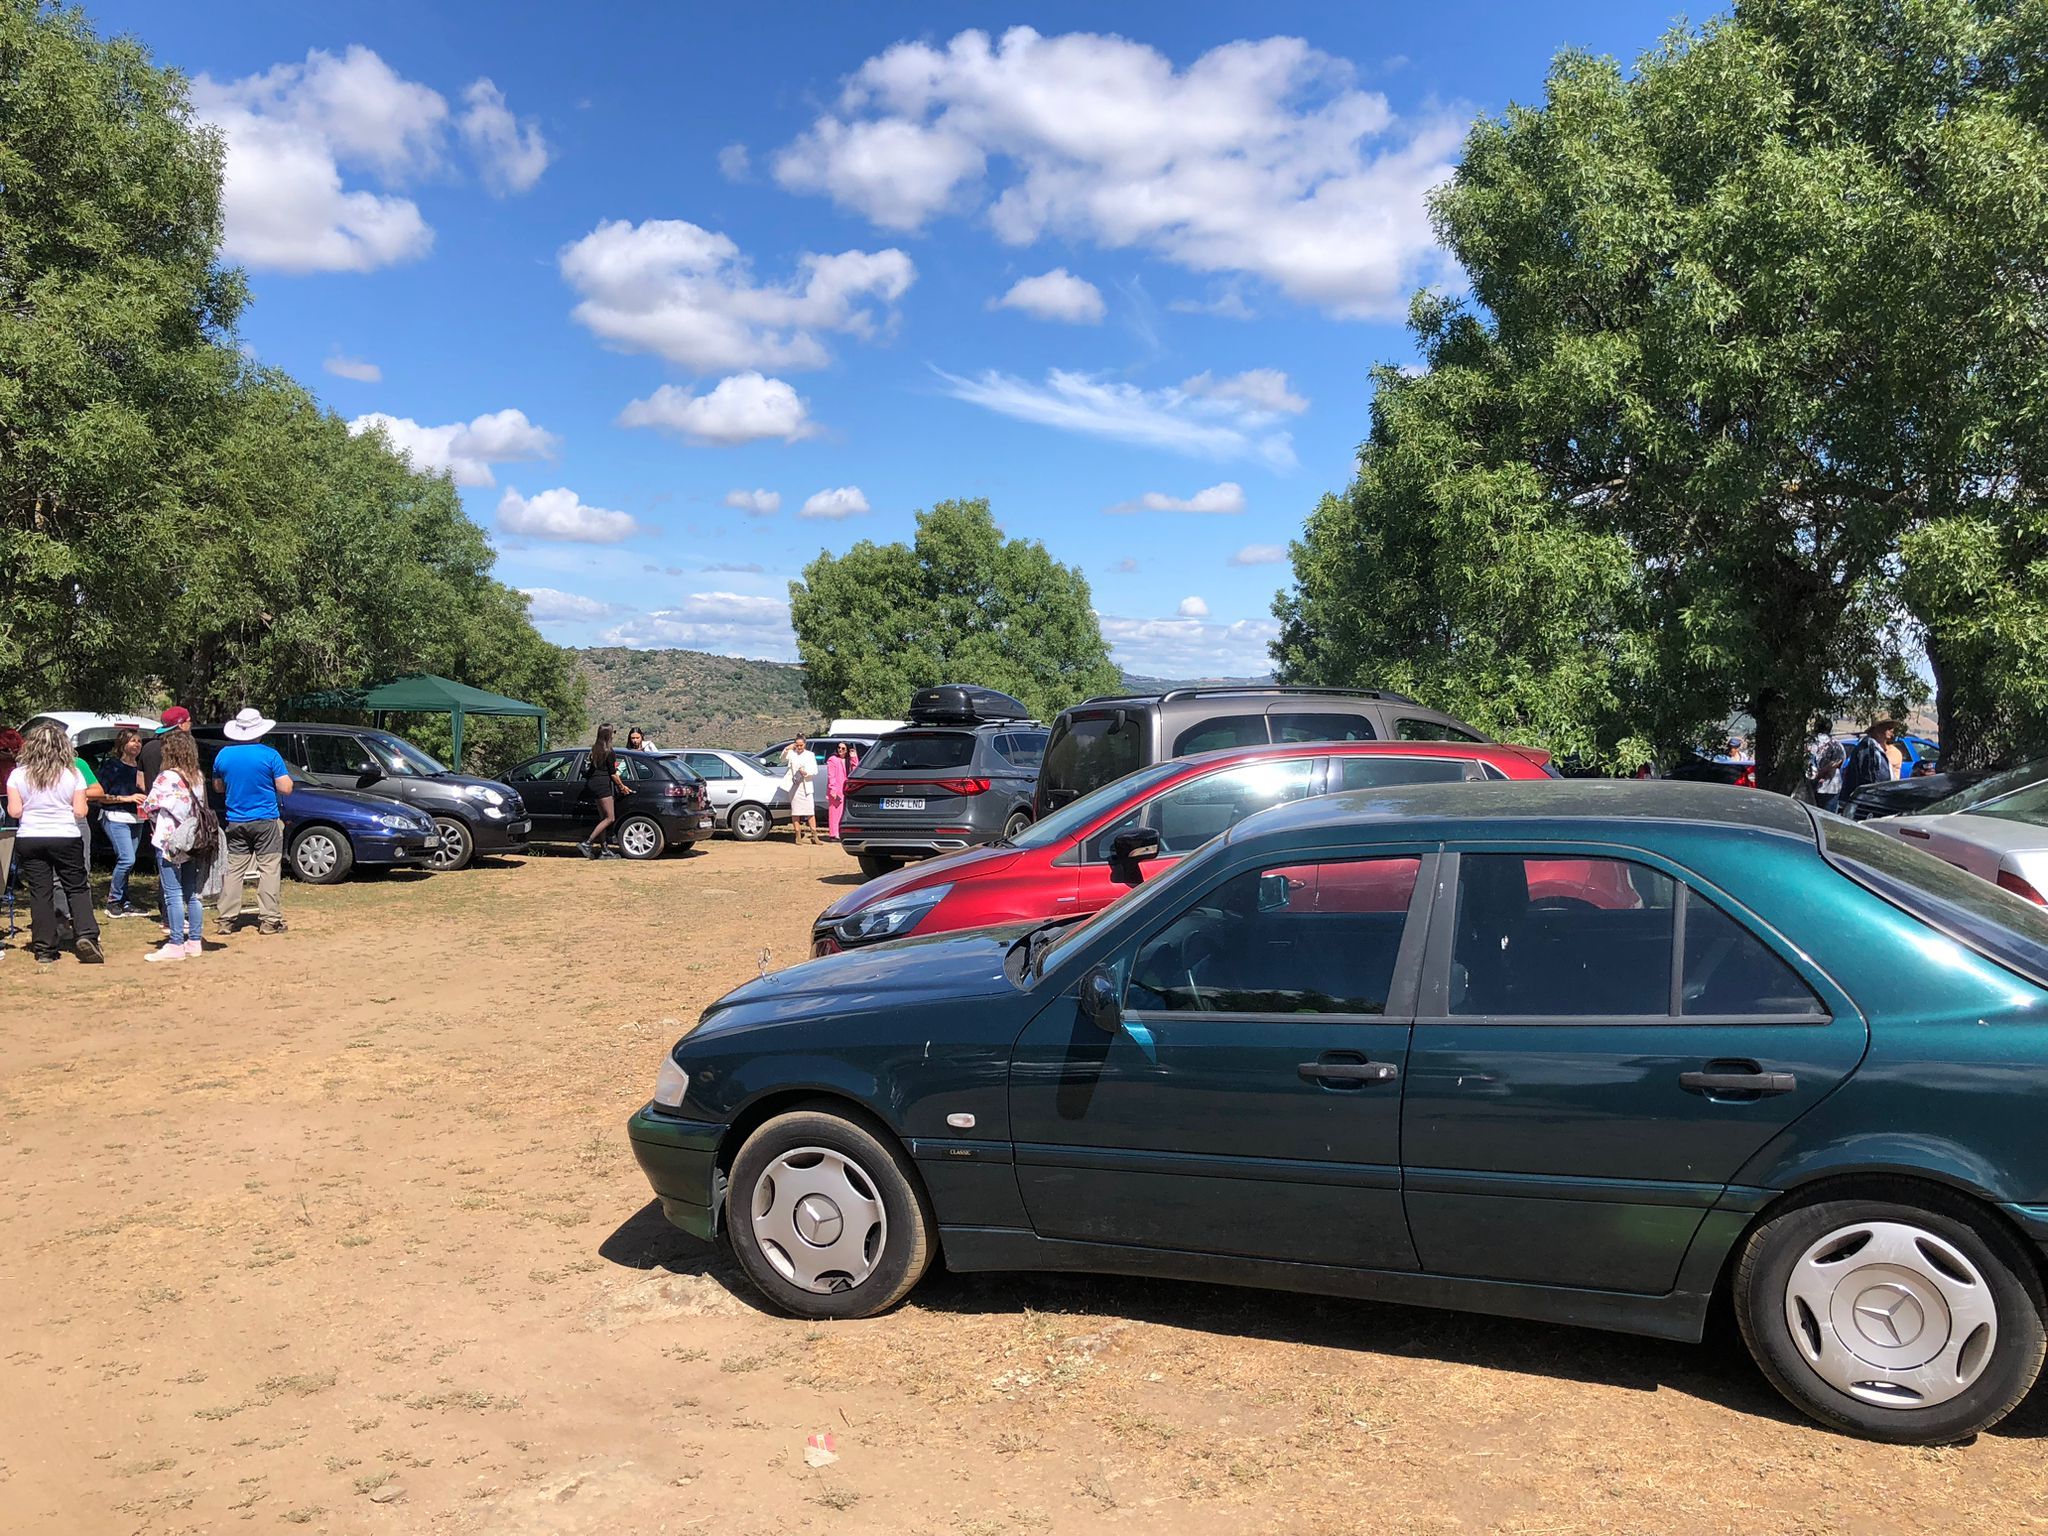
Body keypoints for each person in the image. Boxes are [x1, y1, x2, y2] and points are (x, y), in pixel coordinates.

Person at [5, 723, 102, 964]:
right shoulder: (72, 773)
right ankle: (87, 935)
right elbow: (80, 811)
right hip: (65, 835)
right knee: (76, 887)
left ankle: (44, 948)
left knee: (40, 892)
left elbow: (15, 811)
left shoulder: (18, 774)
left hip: (30, 836)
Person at [212, 707, 293, 935]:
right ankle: (270, 919)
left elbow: (218, 786)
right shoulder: (269, 755)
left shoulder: (223, 755)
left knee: (234, 869)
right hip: (265, 819)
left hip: (236, 820)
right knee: (269, 869)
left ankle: (226, 918)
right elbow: (285, 788)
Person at [140, 729, 212, 962]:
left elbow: (150, 805)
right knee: (192, 892)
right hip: (192, 838)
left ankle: (176, 944)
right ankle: (194, 940)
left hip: (170, 839)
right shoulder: (197, 777)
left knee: (172, 893)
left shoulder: (166, 777)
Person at [98, 726, 151, 918]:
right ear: (122, 744)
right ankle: (113, 901)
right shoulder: (112, 766)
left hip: (138, 819)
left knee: (128, 862)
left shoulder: (141, 768)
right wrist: (127, 798)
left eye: (139, 741)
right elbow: (100, 796)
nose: (136, 744)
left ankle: (125, 902)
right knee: (127, 858)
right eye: (132, 741)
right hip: (115, 816)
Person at [579, 724, 630, 859]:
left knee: (603, 818)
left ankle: (604, 849)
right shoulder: (609, 752)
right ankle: (587, 843)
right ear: (608, 735)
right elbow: (613, 774)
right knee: (610, 818)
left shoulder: (595, 749)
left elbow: (591, 770)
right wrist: (622, 787)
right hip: (603, 785)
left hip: (593, 784)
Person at [1838, 717, 1900, 803]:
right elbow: (1870, 780)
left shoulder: (1875, 748)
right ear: (1878, 730)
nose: (1892, 730)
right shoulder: (1869, 749)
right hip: (1867, 802)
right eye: (1888, 727)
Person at [137, 705, 194, 792]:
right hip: (180, 803)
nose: (190, 724)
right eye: (188, 721)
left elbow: (139, 782)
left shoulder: (148, 747)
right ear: (181, 725)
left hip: (154, 801)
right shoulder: (185, 749)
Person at [783, 735, 820, 844]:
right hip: (794, 786)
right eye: (797, 745)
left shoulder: (810, 755)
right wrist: (787, 748)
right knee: (796, 811)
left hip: (806, 785)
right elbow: (782, 758)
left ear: (805, 744)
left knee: (810, 811)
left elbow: (815, 770)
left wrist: (806, 773)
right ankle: (797, 835)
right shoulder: (791, 754)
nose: (799, 747)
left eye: (801, 745)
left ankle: (814, 835)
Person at [1805, 726, 1848, 813]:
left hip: (1817, 785)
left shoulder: (1811, 744)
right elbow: (1840, 761)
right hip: (1831, 787)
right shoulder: (1837, 744)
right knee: (1828, 816)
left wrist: (1819, 774)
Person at [825, 741, 859, 841]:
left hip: (845, 789)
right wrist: (833, 790)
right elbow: (831, 776)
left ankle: (840, 832)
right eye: (839, 748)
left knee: (843, 812)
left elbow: (855, 769)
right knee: (834, 813)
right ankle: (833, 834)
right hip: (836, 789)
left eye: (843, 748)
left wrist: (853, 757)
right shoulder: (833, 760)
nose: (840, 750)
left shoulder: (848, 760)